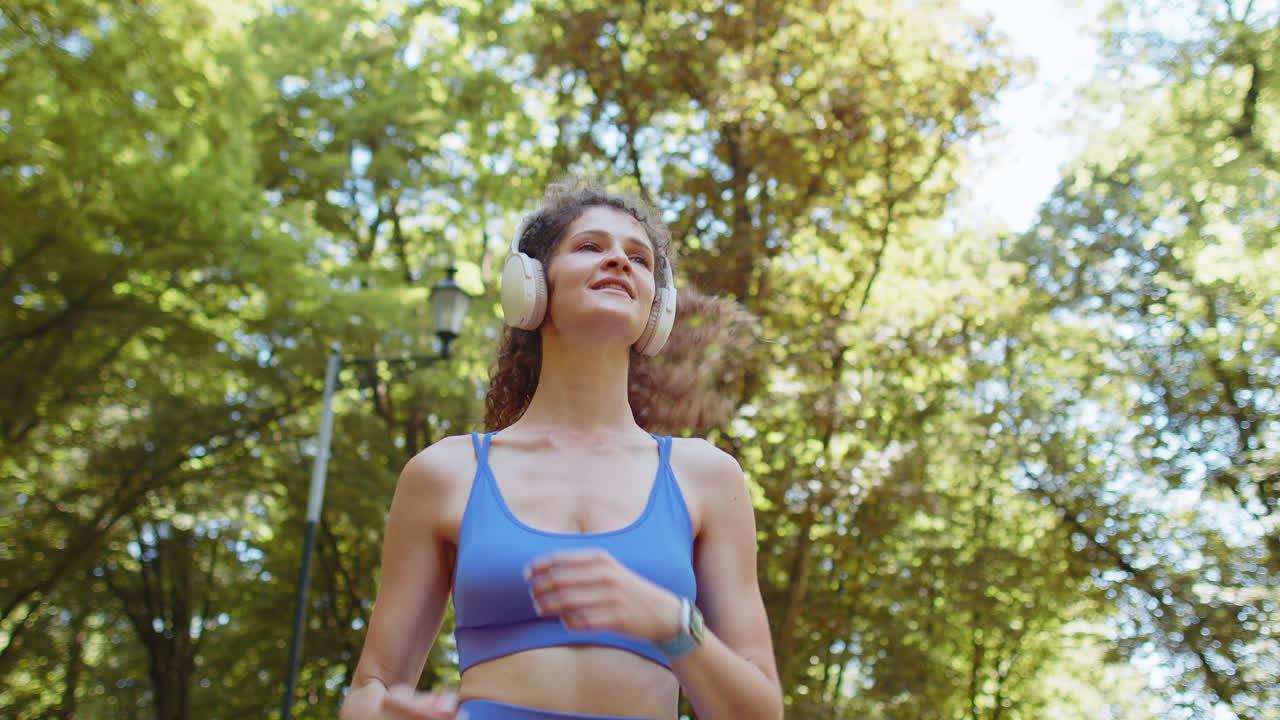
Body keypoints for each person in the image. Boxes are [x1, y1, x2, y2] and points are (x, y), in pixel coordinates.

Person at [340, 180, 781, 720]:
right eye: (591, 246)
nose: (619, 259)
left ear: (656, 308)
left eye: (639, 258)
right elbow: (370, 690)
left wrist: (672, 621)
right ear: (530, 287)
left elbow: (759, 713)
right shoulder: (443, 473)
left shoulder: (708, 477)